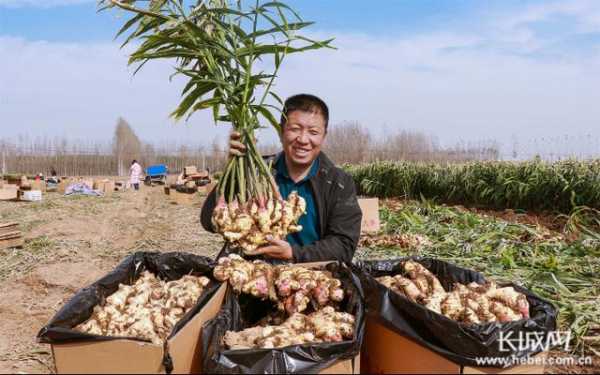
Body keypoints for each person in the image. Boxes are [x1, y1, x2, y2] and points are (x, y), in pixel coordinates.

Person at [200, 94, 362, 264]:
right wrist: (233, 168)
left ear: (323, 136)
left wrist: (293, 253)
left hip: (311, 277)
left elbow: (344, 245)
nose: (303, 139)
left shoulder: (338, 182)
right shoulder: (255, 173)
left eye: (313, 132)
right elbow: (209, 223)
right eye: (295, 129)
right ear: (281, 131)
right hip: (253, 272)